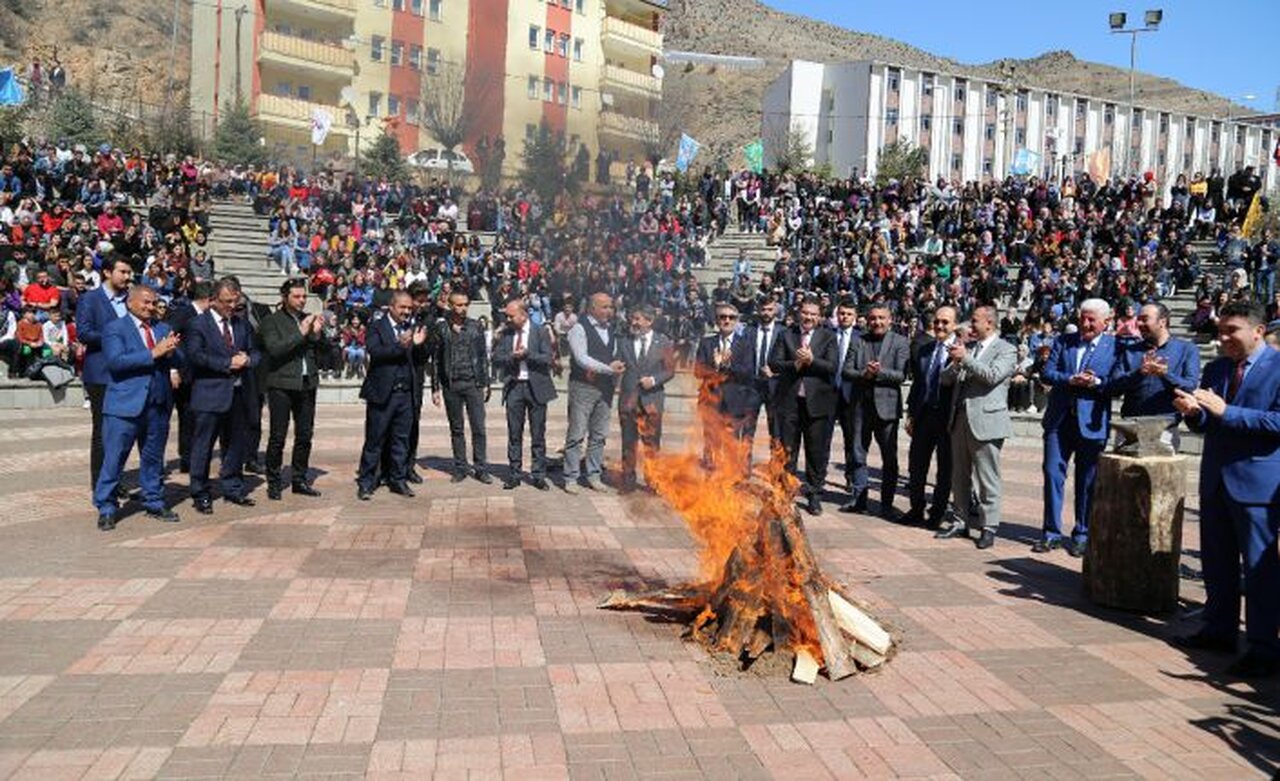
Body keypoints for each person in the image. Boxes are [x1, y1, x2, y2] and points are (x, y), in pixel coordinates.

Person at [1173, 302, 1280, 679]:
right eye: (1220, 331)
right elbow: (1208, 423)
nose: (1222, 338)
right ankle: (1219, 630)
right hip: (1216, 479)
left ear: (1258, 330)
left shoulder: (1278, 368)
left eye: (1231, 331)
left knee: (1260, 571)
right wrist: (1194, 413)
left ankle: (1265, 647)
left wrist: (1225, 411)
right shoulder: (1216, 367)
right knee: (1217, 563)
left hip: (1258, 487)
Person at [91, 286, 181, 531]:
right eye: (146, 302)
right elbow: (116, 362)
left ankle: (154, 501)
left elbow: (178, 359)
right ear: (130, 302)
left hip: (157, 404)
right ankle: (107, 506)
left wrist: (173, 351)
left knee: (153, 458)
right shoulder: (115, 328)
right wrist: (154, 352)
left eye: (154, 303)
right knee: (114, 459)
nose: (150, 307)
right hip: (124, 406)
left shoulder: (162, 328)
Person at [1036, 299, 1118, 556]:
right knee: (1052, 474)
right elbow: (1047, 373)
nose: (1085, 323)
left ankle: (1082, 533)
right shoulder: (1063, 341)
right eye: (1083, 317)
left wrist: (1095, 382)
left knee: (1087, 481)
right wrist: (1070, 379)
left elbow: (1116, 381)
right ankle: (1051, 532)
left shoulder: (1114, 347)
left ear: (1106, 321)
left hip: (1091, 423)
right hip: (1059, 422)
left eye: (1091, 319)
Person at [934, 306, 1017, 550]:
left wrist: (966, 359)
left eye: (975, 321)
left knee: (987, 477)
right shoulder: (968, 348)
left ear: (990, 323)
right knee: (959, 475)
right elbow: (945, 378)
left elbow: (992, 375)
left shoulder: (1006, 349)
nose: (971, 326)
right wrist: (956, 362)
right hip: (959, 420)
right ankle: (960, 520)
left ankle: (989, 526)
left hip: (987, 422)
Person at [186, 278, 261, 514]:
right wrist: (227, 363)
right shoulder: (198, 324)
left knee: (236, 444)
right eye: (227, 301)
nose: (232, 306)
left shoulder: (241, 324)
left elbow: (256, 352)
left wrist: (248, 360)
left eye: (235, 301)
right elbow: (196, 356)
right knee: (203, 446)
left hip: (238, 394)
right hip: (210, 393)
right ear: (213, 300)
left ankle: (233, 487)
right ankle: (200, 491)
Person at [357, 290, 428, 499]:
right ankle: (366, 482)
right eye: (402, 307)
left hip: (405, 394)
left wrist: (420, 344)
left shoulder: (412, 328)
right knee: (375, 440)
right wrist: (401, 345)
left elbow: (420, 358)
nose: (406, 311)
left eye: (409, 308)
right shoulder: (376, 327)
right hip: (382, 394)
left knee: (401, 440)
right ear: (391, 307)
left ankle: (398, 480)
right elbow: (376, 352)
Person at [769, 297, 838, 516]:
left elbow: (832, 366)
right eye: (805, 313)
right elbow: (774, 363)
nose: (808, 317)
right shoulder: (786, 334)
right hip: (789, 402)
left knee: (815, 451)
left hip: (817, 403)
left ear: (819, 317)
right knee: (788, 450)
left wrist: (812, 360)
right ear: (799, 313)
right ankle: (785, 493)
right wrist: (795, 364)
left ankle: (814, 494)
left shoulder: (828, 337)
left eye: (813, 314)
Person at [258, 279, 324, 500]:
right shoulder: (271, 321)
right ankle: (274, 482)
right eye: (296, 296)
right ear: (284, 297)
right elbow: (275, 350)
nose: (302, 300)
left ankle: (299, 479)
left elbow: (322, 351)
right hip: (281, 384)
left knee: (305, 435)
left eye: (304, 296)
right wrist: (301, 333)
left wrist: (317, 334)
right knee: (278, 436)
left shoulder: (307, 319)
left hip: (307, 383)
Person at [841, 305, 910, 516]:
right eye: (872, 318)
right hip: (861, 407)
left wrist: (879, 373)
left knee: (889, 458)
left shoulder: (900, 341)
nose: (877, 322)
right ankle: (859, 499)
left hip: (886, 408)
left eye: (881, 318)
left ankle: (886, 505)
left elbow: (902, 375)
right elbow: (846, 371)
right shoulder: (858, 340)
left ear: (890, 320)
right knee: (858, 454)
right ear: (866, 320)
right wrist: (865, 374)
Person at [75, 257, 131, 491]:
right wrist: (116, 337)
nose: (128, 277)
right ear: (108, 272)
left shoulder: (130, 300)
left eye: (129, 272)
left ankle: (114, 479)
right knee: (102, 431)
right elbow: (84, 332)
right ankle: (99, 483)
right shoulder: (90, 299)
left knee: (121, 431)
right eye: (123, 272)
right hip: (100, 373)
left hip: (126, 373)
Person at [1111, 303, 1201, 448]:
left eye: (1144, 319)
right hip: (1129, 428)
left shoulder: (1187, 350)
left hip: (1165, 429)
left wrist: (1165, 374)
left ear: (1162, 322)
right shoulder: (1130, 351)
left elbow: (1190, 386)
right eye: (1138, 319)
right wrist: (1139, 373)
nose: (1139, 323)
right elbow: (1114, 387)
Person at [562, 292, 625, 494]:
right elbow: (581, 358)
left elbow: (614, 355)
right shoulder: (578, 329)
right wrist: (609, 368)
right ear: (592, 308)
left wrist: (616, 372)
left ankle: (593, 475)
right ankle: (571, 477)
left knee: (599, 435)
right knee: (576, 434)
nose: (609, 311)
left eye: (611, 307)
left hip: (605, 389)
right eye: (605, 307)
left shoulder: (612, 330)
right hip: (583, 388)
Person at [903, 305, 959, 528]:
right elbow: (918, 384)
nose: (940, 326)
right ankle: (916, 509)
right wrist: (911, 414)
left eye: (945, 322)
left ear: (954, 325)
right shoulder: (925, 349)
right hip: (924, 415)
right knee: (916, 465)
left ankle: (937, 513)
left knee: (945, 469)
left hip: (948, 419)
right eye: (937, 321)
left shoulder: (961, 350)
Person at [493, 298, 556, 490]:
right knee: (514, 433)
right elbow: (496, 358)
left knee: (538, 434)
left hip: (536, 387)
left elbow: (548, 358)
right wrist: (512, 356)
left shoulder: (540, 331)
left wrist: (528, 354)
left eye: (511, 316)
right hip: (514, 387)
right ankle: (514, 474)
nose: (508, 319)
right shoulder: (506, 334)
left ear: (524, 314)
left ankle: (538, 474)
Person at [430, 290, 492, 483]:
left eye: (465, 304)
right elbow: (436, 361)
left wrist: (486, 382)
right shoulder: (441, 329)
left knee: (478, 428)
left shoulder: (475, 327)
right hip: (452, 385)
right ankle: (460, 467)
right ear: (450, 305)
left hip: (473, 384)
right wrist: (435, 388)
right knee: (456, 428)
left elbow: (483, 356)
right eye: (458, 305)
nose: (463, 308)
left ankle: (481, 468)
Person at [617, 304, 675, 492]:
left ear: (649, 321)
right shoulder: (624, 340)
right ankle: (628, 480)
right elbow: (618, 364)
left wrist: (654, 380)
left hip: (652, 400)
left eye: (637, 319)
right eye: (632, 318)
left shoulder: (663, 342)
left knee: (652, 442)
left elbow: (670, 369)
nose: (632, 322)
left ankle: (652, 480)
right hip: (628, 400)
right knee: (628, 441)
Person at [166, 280, 213, 473]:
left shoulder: (205, 317)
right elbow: (169, 339)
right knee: (175, 417)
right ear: (209, 299)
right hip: (179, 375)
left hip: (195, 376)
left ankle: (188, 458)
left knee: (190, 418)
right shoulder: (184, 314)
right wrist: (172, 369)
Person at [732, 296, 784, 455]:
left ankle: (776, 468)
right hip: (752, 386)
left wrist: (776, 373)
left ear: (775, 309)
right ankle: (743, 467)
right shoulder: (748, 331)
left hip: (775, 387)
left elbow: (788, 360)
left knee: (776, 430)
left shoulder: (784, 332)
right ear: (758, 310)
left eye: (770, 309)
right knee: (747, 430)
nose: (766, 313)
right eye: (763, 309)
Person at [695, 303, 741, 467]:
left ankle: (729, 478)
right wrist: (715, 366)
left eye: (731, 317)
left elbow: (748, 372)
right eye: (723, 317)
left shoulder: (744, 343)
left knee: (731, 441)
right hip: (710, 399)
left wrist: (727, 367)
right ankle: (710, 476)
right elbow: (698, 371)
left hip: (734, 402)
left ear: (736, 321)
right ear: (716, 320)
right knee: (710, 440)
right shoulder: (707, 343)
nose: (727, 320)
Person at [827, 299, 861, 500]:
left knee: (851, 438)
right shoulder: (828, 335)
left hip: (851, 394)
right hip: (828, 393)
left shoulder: (860, 338)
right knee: (824, 438)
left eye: (849, 314)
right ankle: (820, 475)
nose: (845, 317)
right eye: (842, 313)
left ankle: (850, 476)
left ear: (855, 318)